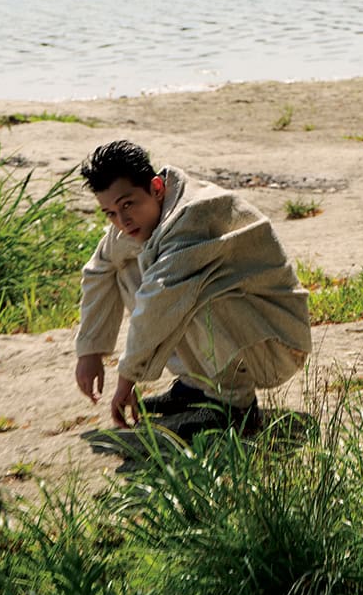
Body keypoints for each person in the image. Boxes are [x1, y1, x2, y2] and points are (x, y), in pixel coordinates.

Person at [74, 139, 311, 431]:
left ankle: (235, 407)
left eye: (128, 204)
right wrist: (90, 352)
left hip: (276, 343)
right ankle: (197, 385)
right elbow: (99, 269)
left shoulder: (195, 215)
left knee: (187, 290)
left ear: (157, 188)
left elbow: (159, 301)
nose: (122, 220)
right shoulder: (137, 222)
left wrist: (127, 378)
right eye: (110, 212)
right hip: (245, 333)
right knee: (125, 267)